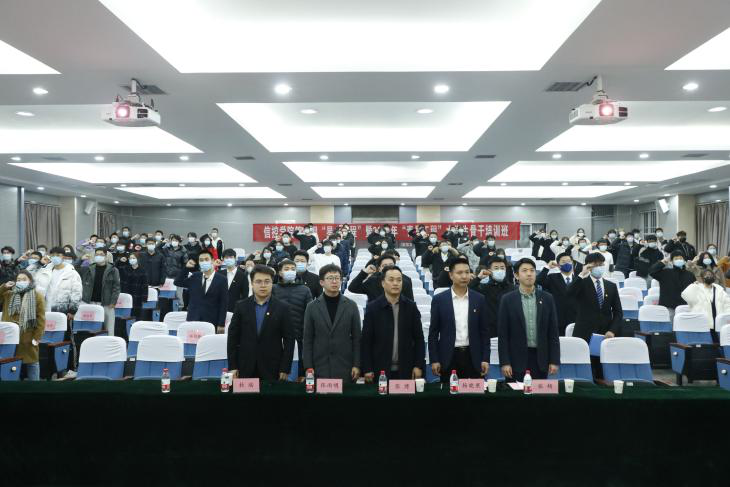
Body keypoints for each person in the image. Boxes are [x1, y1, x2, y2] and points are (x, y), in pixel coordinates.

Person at [227, 264, 294, 382]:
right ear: (252, 284)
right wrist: (233, 366)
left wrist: (285, 367)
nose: (263, 285)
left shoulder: (283, 308)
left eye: (267, 281)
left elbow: (289, 340)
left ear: (272, 283)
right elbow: (233, 338)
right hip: (245, 365)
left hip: (273, 367)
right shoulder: (241, 306)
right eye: (258, 281)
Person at [427, 256, 489, 382]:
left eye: (467, 272)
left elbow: (484, 332)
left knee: (473, 392)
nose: (464, 276)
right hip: (448, 357)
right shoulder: (439, 300)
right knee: (450, 392)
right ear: (451, 275)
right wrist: (434, 359)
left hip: (473, 356)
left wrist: (485, 358)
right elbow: (433, 333)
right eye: (459, 273)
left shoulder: (479, 299)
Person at [497, 258, 560, 381]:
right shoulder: (507, 299)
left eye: (532, 270)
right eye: (524, 271)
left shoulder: (547, 298)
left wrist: (554, 360)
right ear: (516, 275)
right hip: (516, 359)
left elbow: (553, 332)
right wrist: (505, 362)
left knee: (539, 392)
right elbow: (503, 334)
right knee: (516, 392)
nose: (529, 274)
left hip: (541, 359)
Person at [361, 266, 425, 381]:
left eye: (399, 280)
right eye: (391, 280)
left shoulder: (411, 307)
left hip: (406, 368)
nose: (395, 283)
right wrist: (367, 368)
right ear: (383, 283)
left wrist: (418, 365)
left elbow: (419, 338)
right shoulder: (373, 308)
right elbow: (366, 341)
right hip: (379, 369)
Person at [302, 264, 361, 381]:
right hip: (319, 365)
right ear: (321, 282)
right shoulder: (312, 307)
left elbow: (357, 338)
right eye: (330, 278)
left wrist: (357, 364)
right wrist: (308, 366)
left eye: (337, 278)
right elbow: (308, 339)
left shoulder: (351, 305)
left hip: (345, 365)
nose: (334, 281)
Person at [566, 252, 623, 343]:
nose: (599, 267)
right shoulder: (581, 283)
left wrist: (612, 330)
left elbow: (618, 312)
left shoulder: (611, 286)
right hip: (584, 333)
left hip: (606, 334)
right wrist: (582, 274)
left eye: (601, 264)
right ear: (588, 266)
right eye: (595, 265)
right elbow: (568, 293)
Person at [0, 271, 46, 380]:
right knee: (10, 364)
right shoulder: (8, 294)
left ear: (30, 281)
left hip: (27, 336)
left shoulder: (37, 296)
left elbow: (41, 319)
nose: (21, 282)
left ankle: (35, 386)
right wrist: (4, 287)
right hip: (9, 337)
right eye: (19, 280)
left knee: (32, 363)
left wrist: (37, 337)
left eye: (24, 279)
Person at [273, 259, 313, 380]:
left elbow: (309, 313)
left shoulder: (305, 289)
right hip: (277, 335)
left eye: (293, 269)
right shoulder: (273, 289)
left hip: (299, 334)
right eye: (286, 269)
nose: (290, 271)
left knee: (298, 371)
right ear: (280, 273)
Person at [174, 251, 228, 329]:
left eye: (206, 259)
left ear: (212, 260)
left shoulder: (222, 279)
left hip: (212, 321)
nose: (204, 262)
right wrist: (186, 268)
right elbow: (177, 282)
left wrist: (221, 324)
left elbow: (223, 304)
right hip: (193, 319)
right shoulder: (195, 276)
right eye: (201, 260)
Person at [469, 258, 515, 339]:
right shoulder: (484, 288)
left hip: (509, 330)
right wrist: (478, 278)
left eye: (502, 268)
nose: (500, 270)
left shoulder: (513, 288)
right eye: (496, 268)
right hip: (490, 331)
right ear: (490, 270)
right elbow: (469, 290)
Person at [80, 248, 121, 337]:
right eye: (97, 254)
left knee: (109, 329)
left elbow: (116, 287)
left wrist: (113, 302)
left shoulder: (113, 270)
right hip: (90, 302)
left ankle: (109, 343)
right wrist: (80, 260)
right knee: (91, 329)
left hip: (107, 303)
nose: (99, 256)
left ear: (106, 256)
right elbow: (74, 269)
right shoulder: (88, 268)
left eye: (101, 254)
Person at [536, 252, 579, 336]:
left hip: (575, 319)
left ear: (573, 263)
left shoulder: (578, 279)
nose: (567, 264)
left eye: (569, 261)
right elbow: (538, 280)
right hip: (558, 319)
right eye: (563, 262)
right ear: (558, 265)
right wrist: (547, 267)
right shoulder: (552, 277)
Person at [681, 268, 730, 337]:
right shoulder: (697, 288)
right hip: (703, 323)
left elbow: (727, 304)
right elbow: (686, 296)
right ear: (702, 278)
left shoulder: (719, 289)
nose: (709, 276)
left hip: (718, 323)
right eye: (706, 275)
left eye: (710, 274)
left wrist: (727, 317)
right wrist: (693, 286)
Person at [649, 252, 696, 322]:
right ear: (672, 261)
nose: (679, 260)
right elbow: (652, 271)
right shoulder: (665, 272)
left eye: (680, 258)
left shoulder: (690, 275)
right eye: (676, 259)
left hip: (685, 307)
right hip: (668, 307)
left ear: (684, 260)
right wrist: (665, 261)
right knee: (668, 327)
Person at [347, 253, 414, 302]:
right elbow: (352, 288)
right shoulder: (372, 281)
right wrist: (364, 273)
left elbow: (410, 304)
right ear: (379, 269)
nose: (388, 267)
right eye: (385, 265)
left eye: (391, 265)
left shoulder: (405, 280)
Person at [118, 252, 148, 326]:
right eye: (130, 258)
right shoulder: (125, 269)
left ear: (138, 259)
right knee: (127, 315)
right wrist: (120, 261)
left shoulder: (143, 270)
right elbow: (117, 268)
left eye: (134, 258)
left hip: (138, 295)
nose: (132, 259)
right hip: (127, 294)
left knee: (137, 315)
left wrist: (144, 298)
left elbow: (145, 285)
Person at [218, 249, 249, 315]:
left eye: (231, 257)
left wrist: (241, 309)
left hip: (235, 310)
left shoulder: (242, 276)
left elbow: (245, 295)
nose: (229, 259)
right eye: (226, 258)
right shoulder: (219, 274)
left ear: (235, 258)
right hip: (220, 308)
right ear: (223, 260)